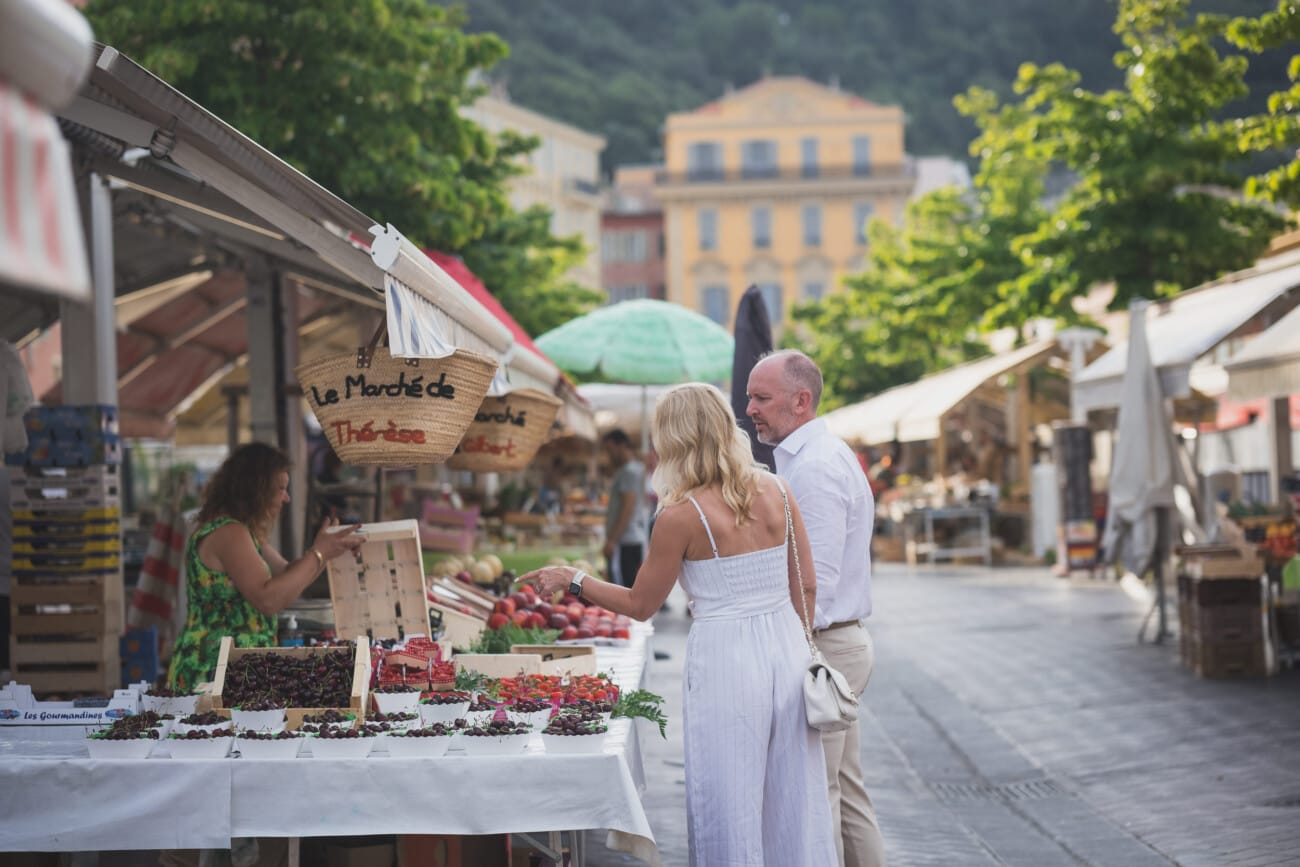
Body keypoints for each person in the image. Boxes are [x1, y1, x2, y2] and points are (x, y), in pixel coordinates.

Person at [522, 384, 837, 865]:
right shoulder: (777, 489)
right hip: (789, 649)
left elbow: (641, 603)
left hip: (725, 659)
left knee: (727, 799)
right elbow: (807, 585)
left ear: (672, 440)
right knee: (793, 796)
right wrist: (796, 644)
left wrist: (573, 579)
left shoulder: (680, 515)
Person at [747, 349, 887, 867]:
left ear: (800, 401)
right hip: (836, 644)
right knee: (846, 791)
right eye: (749, 397)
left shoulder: (816, 468)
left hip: (824, 644)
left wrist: (780, 643)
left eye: (761, 398)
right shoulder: (817, 456)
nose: (751, 410)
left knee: (817, 794)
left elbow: (816, 586)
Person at [166, 442, 362, 691]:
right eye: (280, 488)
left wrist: (331, 550)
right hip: (214, 672)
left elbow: (289, 575)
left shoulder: (241, 532)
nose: (286, 498)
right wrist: (319, 553)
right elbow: (268, 598)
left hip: (231, 670)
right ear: (255, 489)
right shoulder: (230, 533)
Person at [601, 428, 648, 587]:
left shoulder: (629, 471)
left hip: (626, 541)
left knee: (623, 590)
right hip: (628, 539)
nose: (609, 455)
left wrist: (612, 541)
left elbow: (627, 508)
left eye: (610, 449)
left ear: (621, 445)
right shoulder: (631, 470)